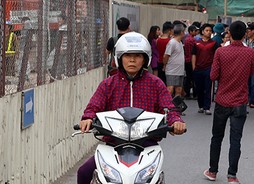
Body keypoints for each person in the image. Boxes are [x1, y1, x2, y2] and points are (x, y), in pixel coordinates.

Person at [77, 32, 186, 183]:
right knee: (84, 172)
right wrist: (88, 118)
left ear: (145, 59)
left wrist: (176, 121)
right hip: (114, 144)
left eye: (138, 56)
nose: (132, 60)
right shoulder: (108, 84)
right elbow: (94, 106)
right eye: (128, 55)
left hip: (147, 144)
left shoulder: (156, 84)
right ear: (119, 58)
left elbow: (169, 108)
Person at [203, 21, 254, 184]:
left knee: (217, 137)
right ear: (244, 35)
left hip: (222, 100)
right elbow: (251, 72)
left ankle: (212, 171)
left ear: (229, 33)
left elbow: (213, 76)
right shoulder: (250, 53)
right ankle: (232, 175)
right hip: (240, 101)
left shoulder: (220, 52)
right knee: (236, 140)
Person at [192, 23, 219, 115]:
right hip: (198, 69)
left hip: (209, 68)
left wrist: (214, 68)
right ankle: (200, 106)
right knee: (199, 88)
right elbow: (193, 55)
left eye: (210, 31)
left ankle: (207, 107)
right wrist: (194, 67)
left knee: (208, 88)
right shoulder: (196, 43)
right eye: (207, 30)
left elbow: (217, 56)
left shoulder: (214, 43)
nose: (209, 32)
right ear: (202, 32)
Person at [163, 24, 186, 98]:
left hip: (180, 70)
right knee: (170, 89)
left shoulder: (180, 42)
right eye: (184, 32)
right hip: (172, 70)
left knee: (179, 89)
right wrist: (165, 65)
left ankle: (176, 104)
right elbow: (166, 55)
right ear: (182, 32)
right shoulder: (172, 42)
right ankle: (167, 103)